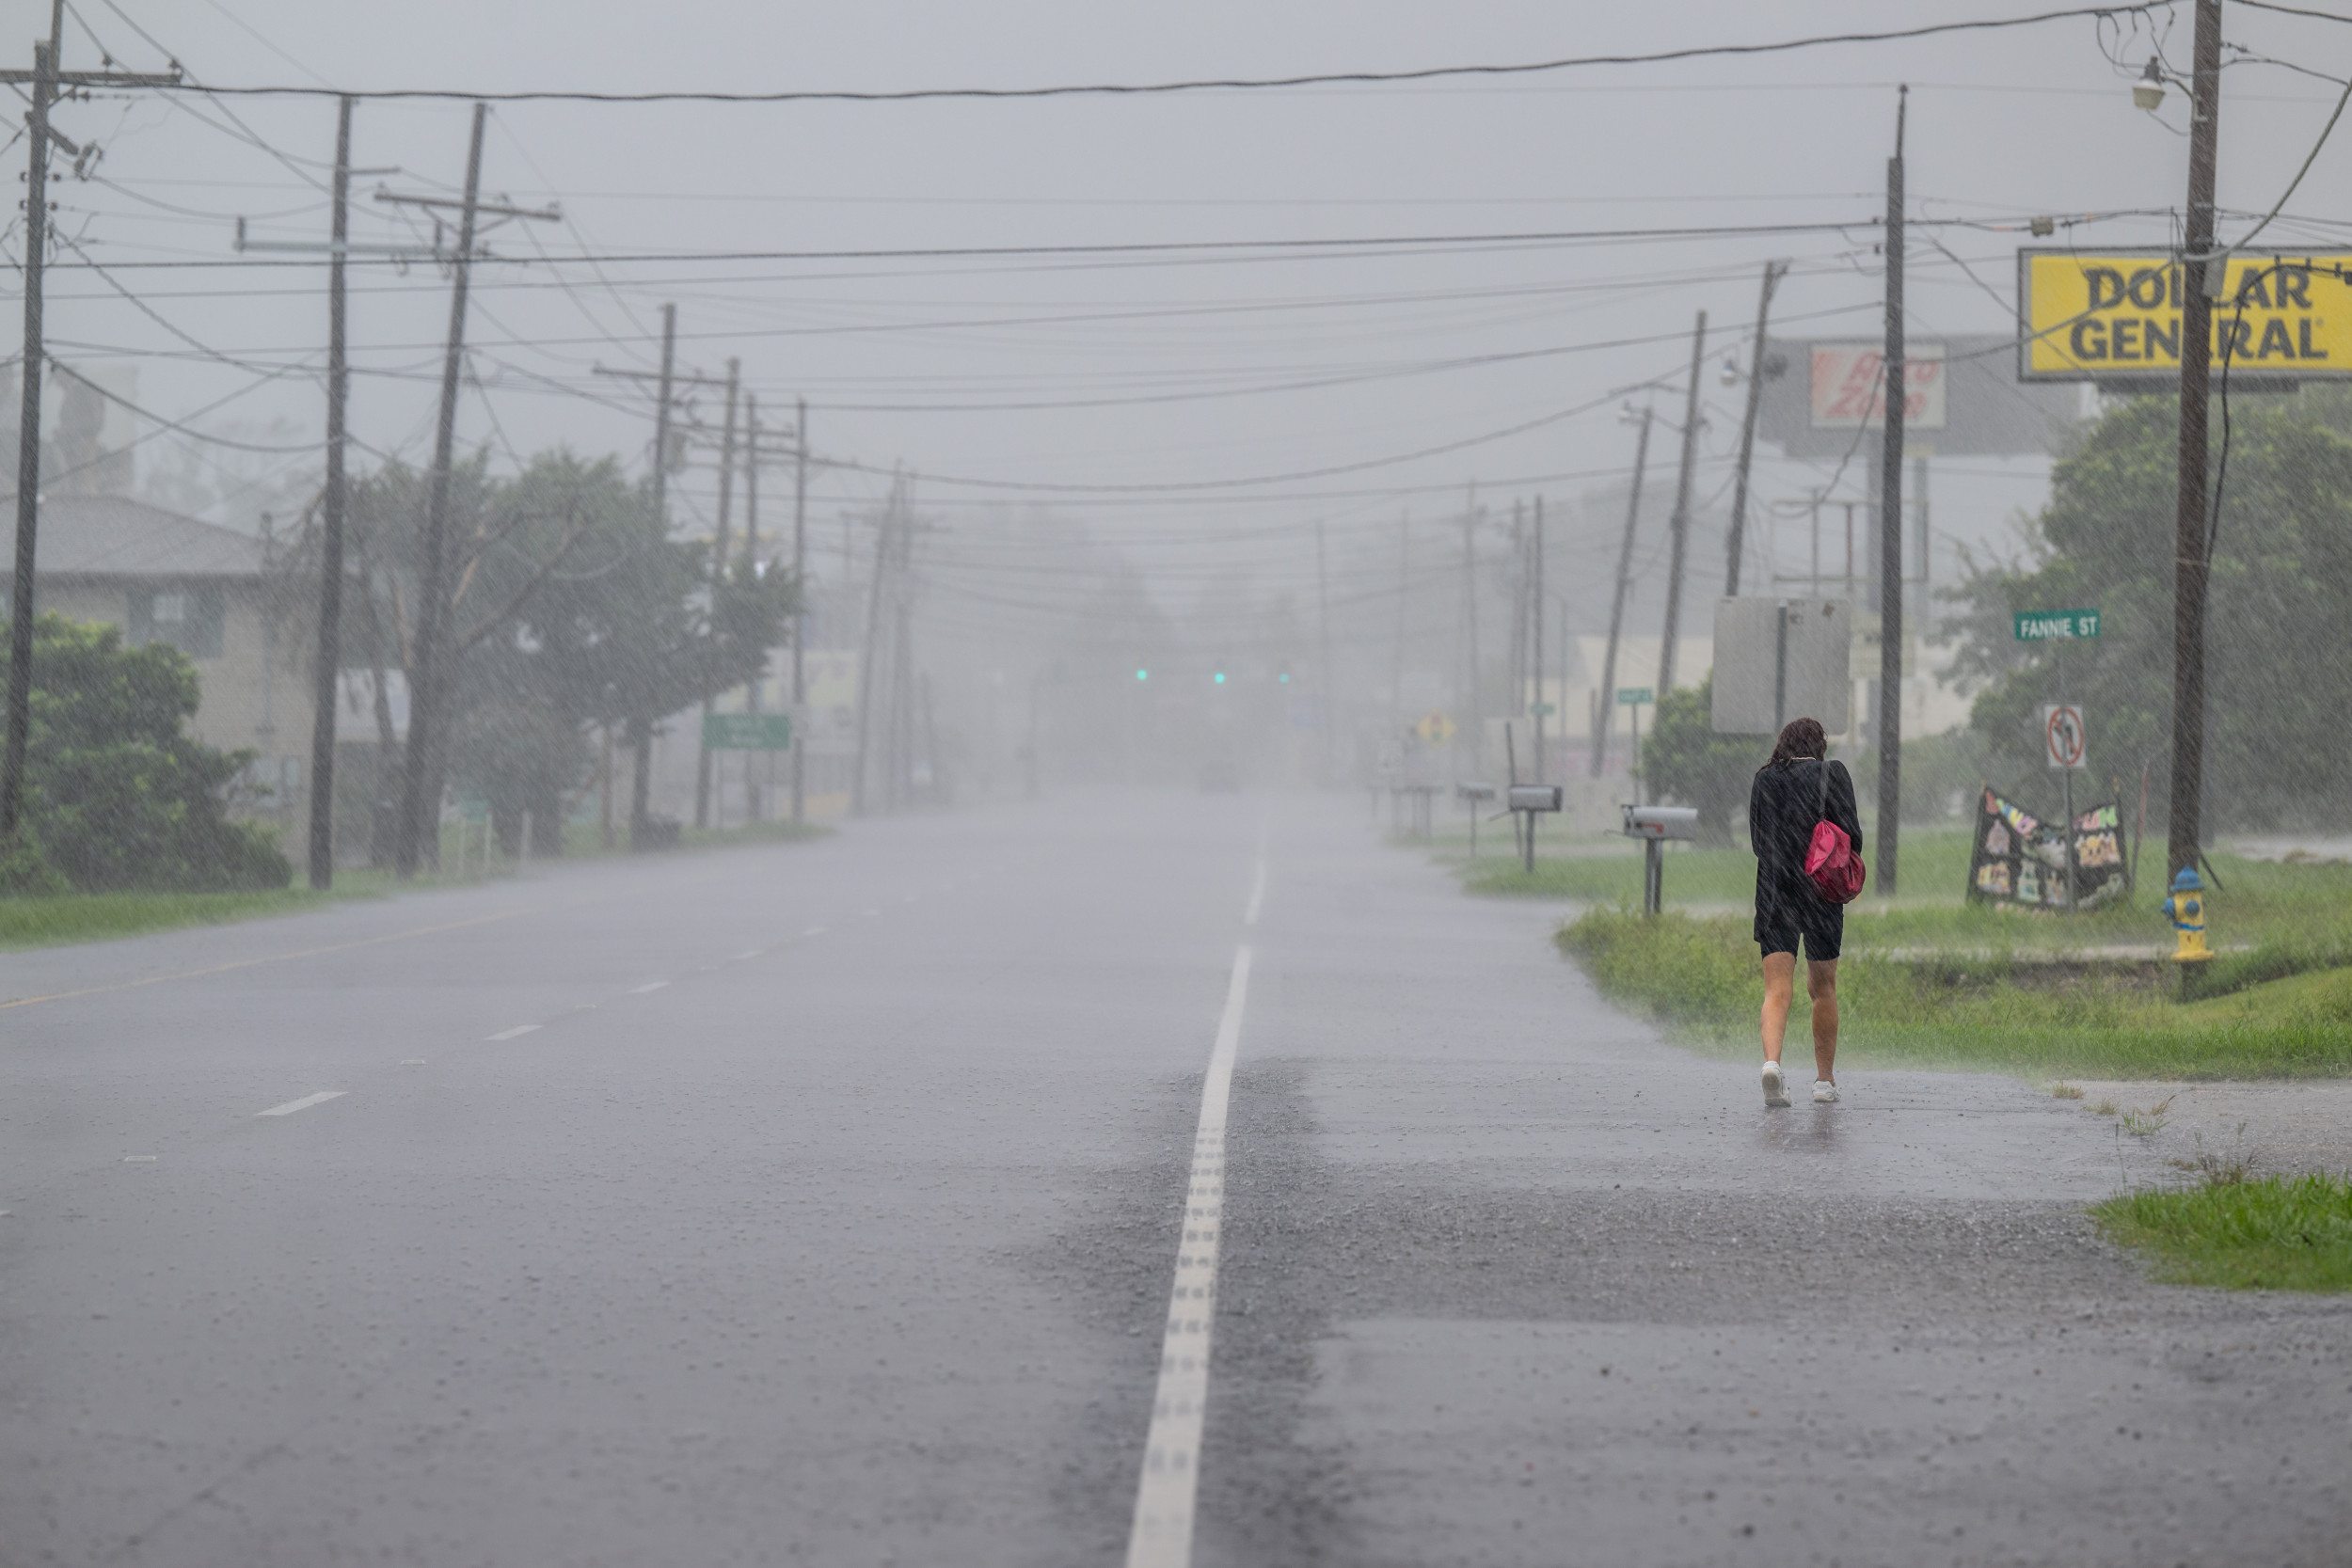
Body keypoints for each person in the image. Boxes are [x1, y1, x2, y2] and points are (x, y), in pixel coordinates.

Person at [1747, 717, 1861, 1109]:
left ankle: (1772, 1065)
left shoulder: (1764, 780)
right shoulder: (1833, 774)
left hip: (1776, 890)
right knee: (1822, 989)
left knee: (1777, 989)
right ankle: (1824, 1082)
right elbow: (1852, 837)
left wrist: (1785, 857)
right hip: (1821, 892)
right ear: (1819, 746)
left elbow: (1758, 841)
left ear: (1783, 744)